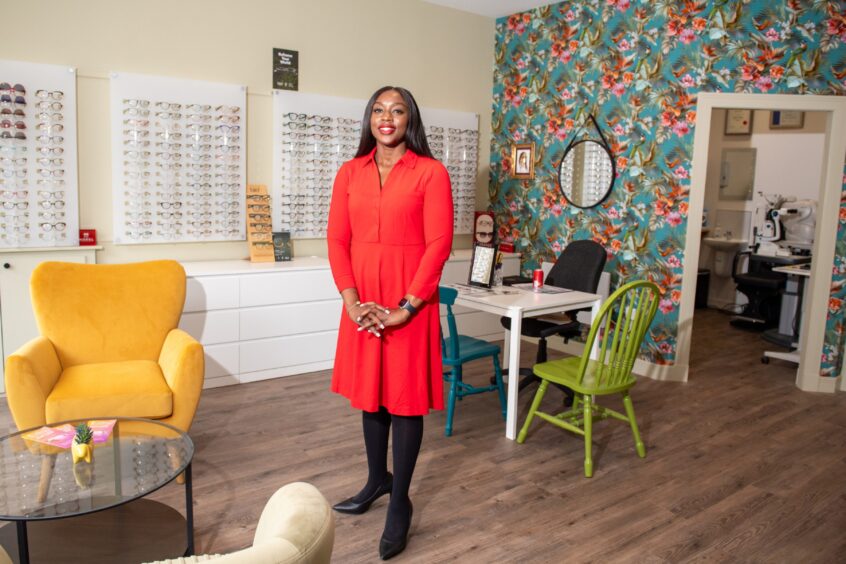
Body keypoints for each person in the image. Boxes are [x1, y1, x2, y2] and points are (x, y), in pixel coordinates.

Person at [326, 86, 454, 560]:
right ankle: (377, 479)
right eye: (379, 110)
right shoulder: (349, 172)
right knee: (372, 394)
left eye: (397, 110)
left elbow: (438, 244)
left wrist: (406, 307)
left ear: (409, 120)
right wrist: (352, 302)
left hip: (408, 302)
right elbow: (337, 240)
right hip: (362, 301)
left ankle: (400, 500)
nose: (387, 117)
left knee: (404, 402)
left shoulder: (431, 172)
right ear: (369, 119)